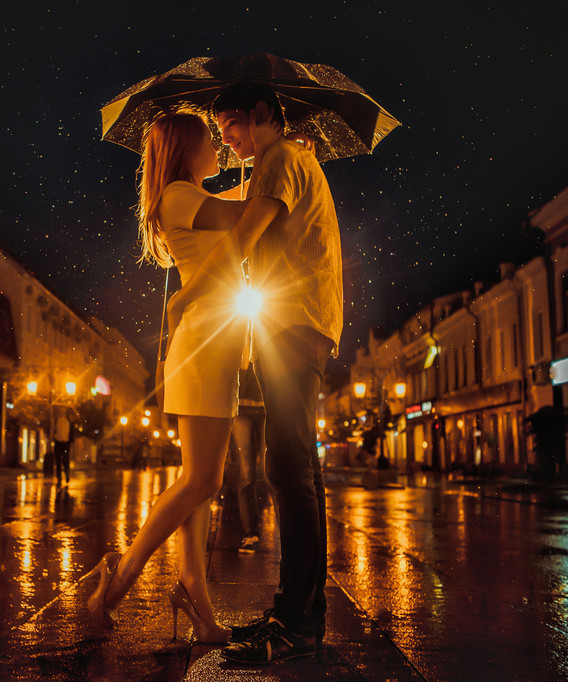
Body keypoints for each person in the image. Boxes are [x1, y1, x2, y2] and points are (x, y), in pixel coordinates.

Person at [167, 81, 343, 663]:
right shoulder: (284, 161)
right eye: (220, 132)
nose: (227, 139)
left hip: (294, 324)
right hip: (298, 322)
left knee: (290, 467)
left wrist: (187, 292)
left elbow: (245, 233)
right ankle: (302, 615)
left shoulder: (282, 160)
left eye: (234, 125)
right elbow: (255, 220)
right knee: (294, 467)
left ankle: (296, 622)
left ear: (264, 114)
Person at [84, 112, 248, 644]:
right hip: (204, 345)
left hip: (214, 341)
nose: (219, 150)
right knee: (204, 480)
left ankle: (195, 596)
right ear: (185, 149)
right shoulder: (179, 195)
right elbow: (248, 217)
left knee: (199, 481)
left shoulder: (188, 195)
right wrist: (277, 166)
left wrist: (274, 164)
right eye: (210, 141)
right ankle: (117, 583)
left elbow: (238, 202)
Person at [230, 364, 266, 554]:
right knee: (246, 472)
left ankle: (288, 535)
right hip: (240, 404)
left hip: (269, 403)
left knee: (270, 471)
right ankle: (250, 534)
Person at [53, 407, 72, 485]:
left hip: (65, 443)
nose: (62, 412)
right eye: (61, 411)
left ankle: (67, 476)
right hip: (58, 442)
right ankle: (59, 477)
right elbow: (53, 430)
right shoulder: (56, 420)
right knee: (58, 461)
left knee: (65, 460)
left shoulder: (68, 421)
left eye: (63, 411)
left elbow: (71, 432)